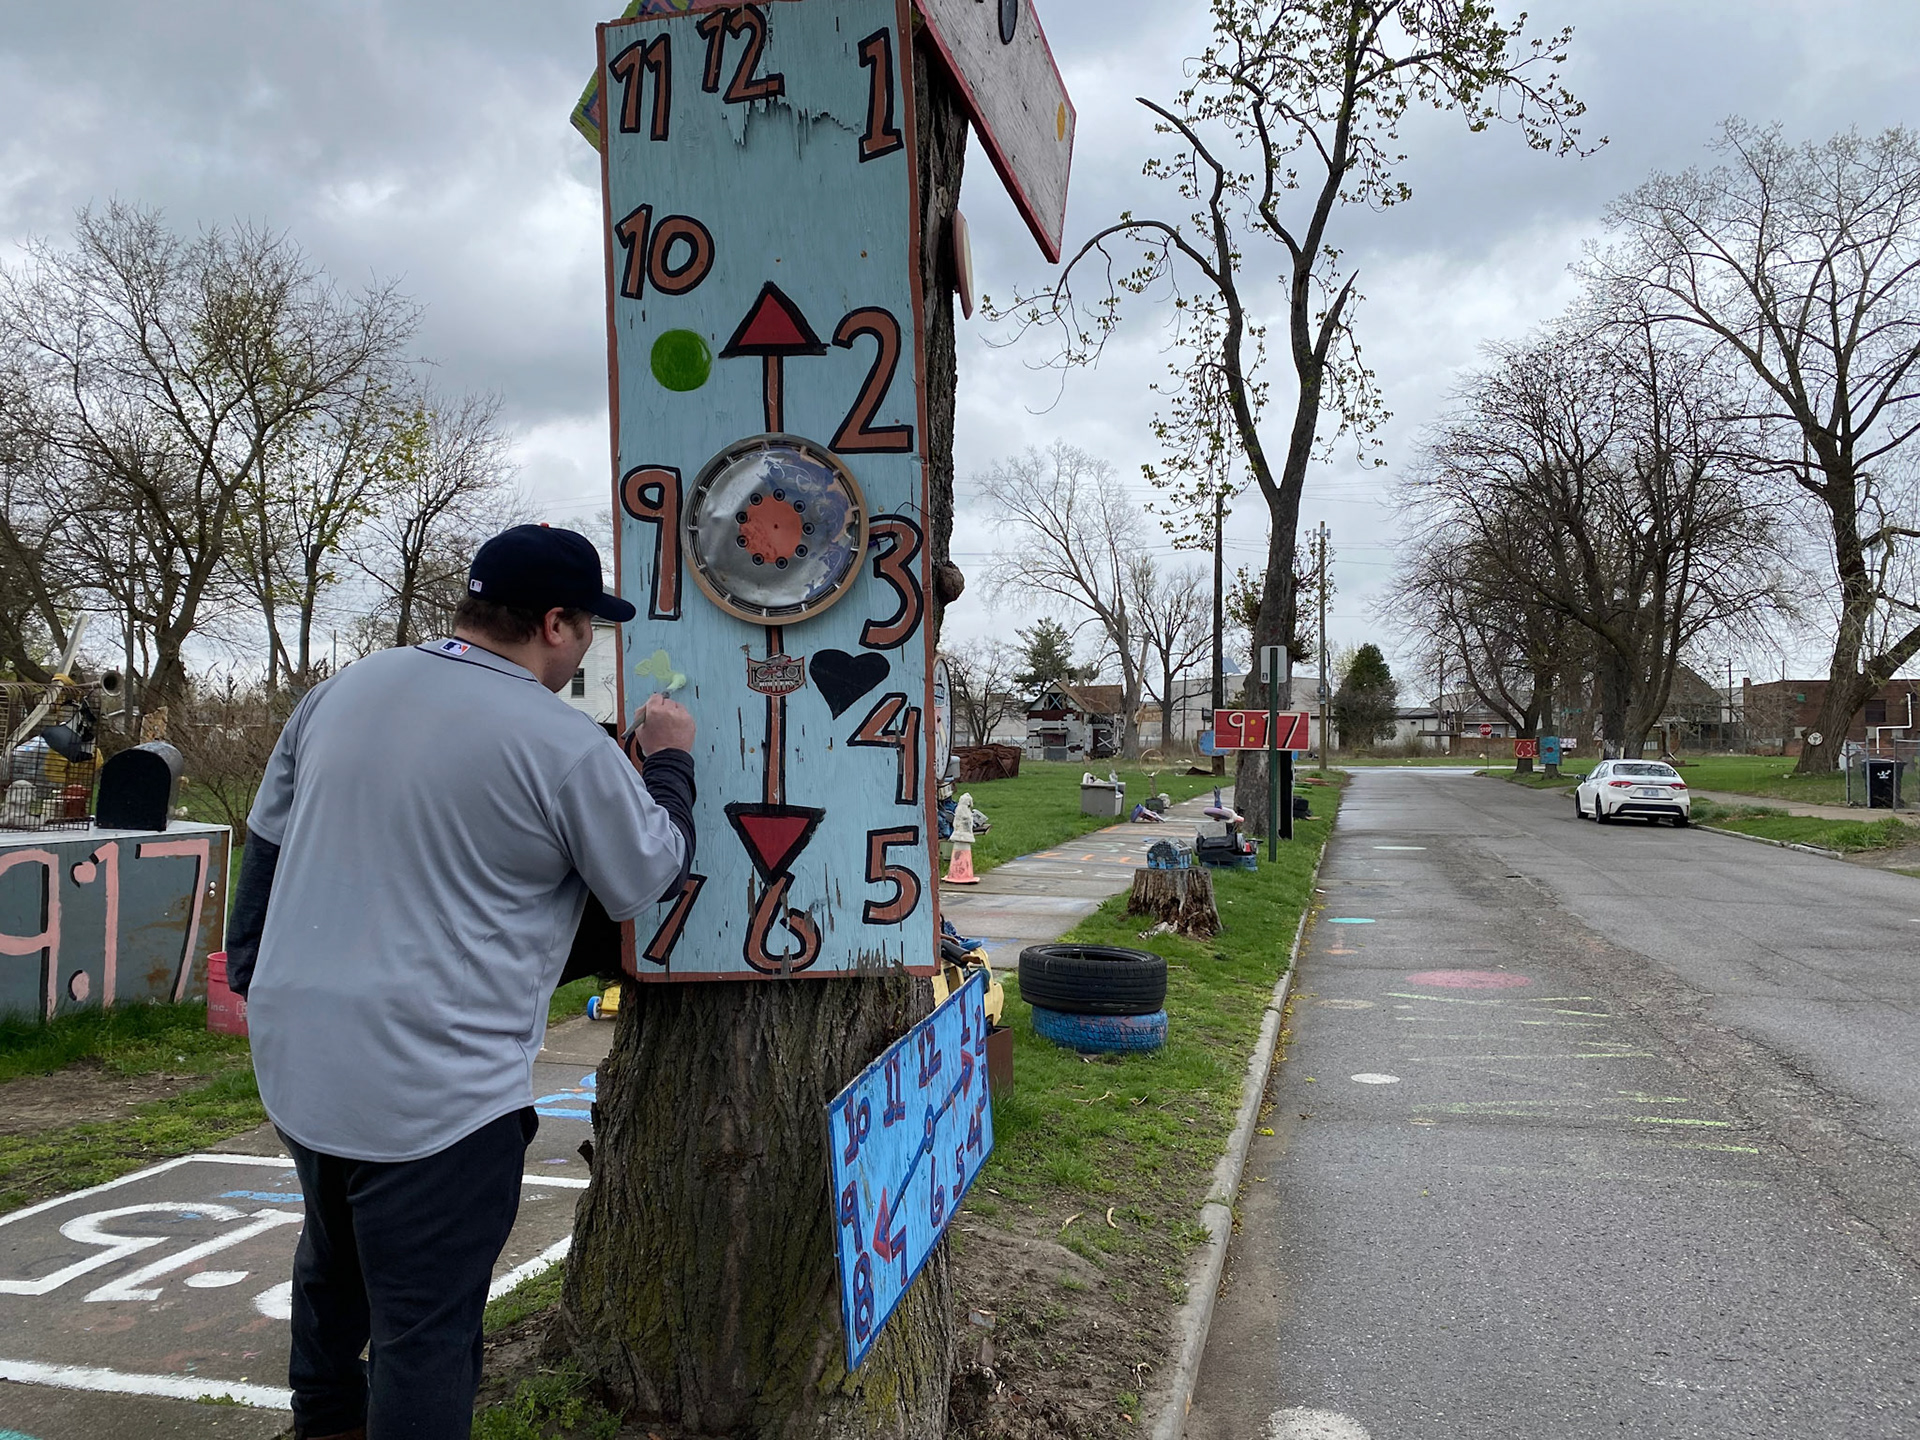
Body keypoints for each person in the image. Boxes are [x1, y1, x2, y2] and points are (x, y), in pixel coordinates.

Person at [224, 524, 696, 1440]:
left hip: (299, 1054)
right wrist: (670, 759)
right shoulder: (559, 743)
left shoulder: (339, 692)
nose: (590, 645)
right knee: (426, 1332)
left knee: (333, 1266)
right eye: (589, 626)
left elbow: (268, 843)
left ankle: (323, 1425)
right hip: (433, 1085)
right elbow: (647, 873)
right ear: (554, 623)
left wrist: (251, 973)